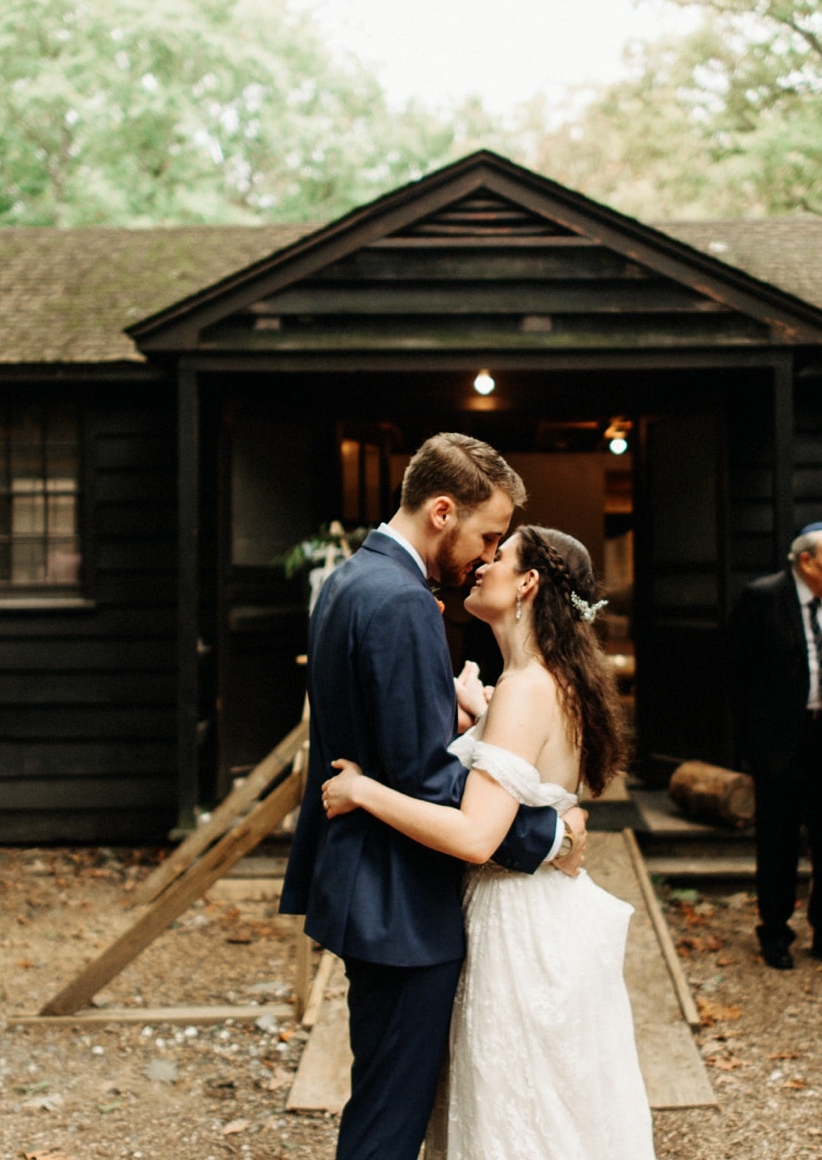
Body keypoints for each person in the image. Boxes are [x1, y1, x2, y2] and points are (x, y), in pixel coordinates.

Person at [278, 433, 587, 1160]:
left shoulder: (352, 580)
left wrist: (455, 721)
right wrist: (546, 833)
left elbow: (391, 737)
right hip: (401, 903)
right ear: (442, 510)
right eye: (487, 534)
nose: (487, 553)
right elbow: (424, 777)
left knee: (384, 1100)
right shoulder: (404, 601)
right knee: (390, 1120)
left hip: (371, 886)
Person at [321, 526, 652, 1159]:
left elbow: (476, 836)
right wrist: (474, 714)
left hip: (516, 927)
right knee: (546, 1106)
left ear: (527, 583)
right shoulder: (542, 679)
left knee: (512, 1108)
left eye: (499, 555)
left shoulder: (526, 689)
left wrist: (365, 793)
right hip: (547, 911)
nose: (481, 563)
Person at [725, 523, 822, 972]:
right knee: (778, 843)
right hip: (782, 743)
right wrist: (751, 749)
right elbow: (738, 676)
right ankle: (775, 934)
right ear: (806, 560)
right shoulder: (763, 597)